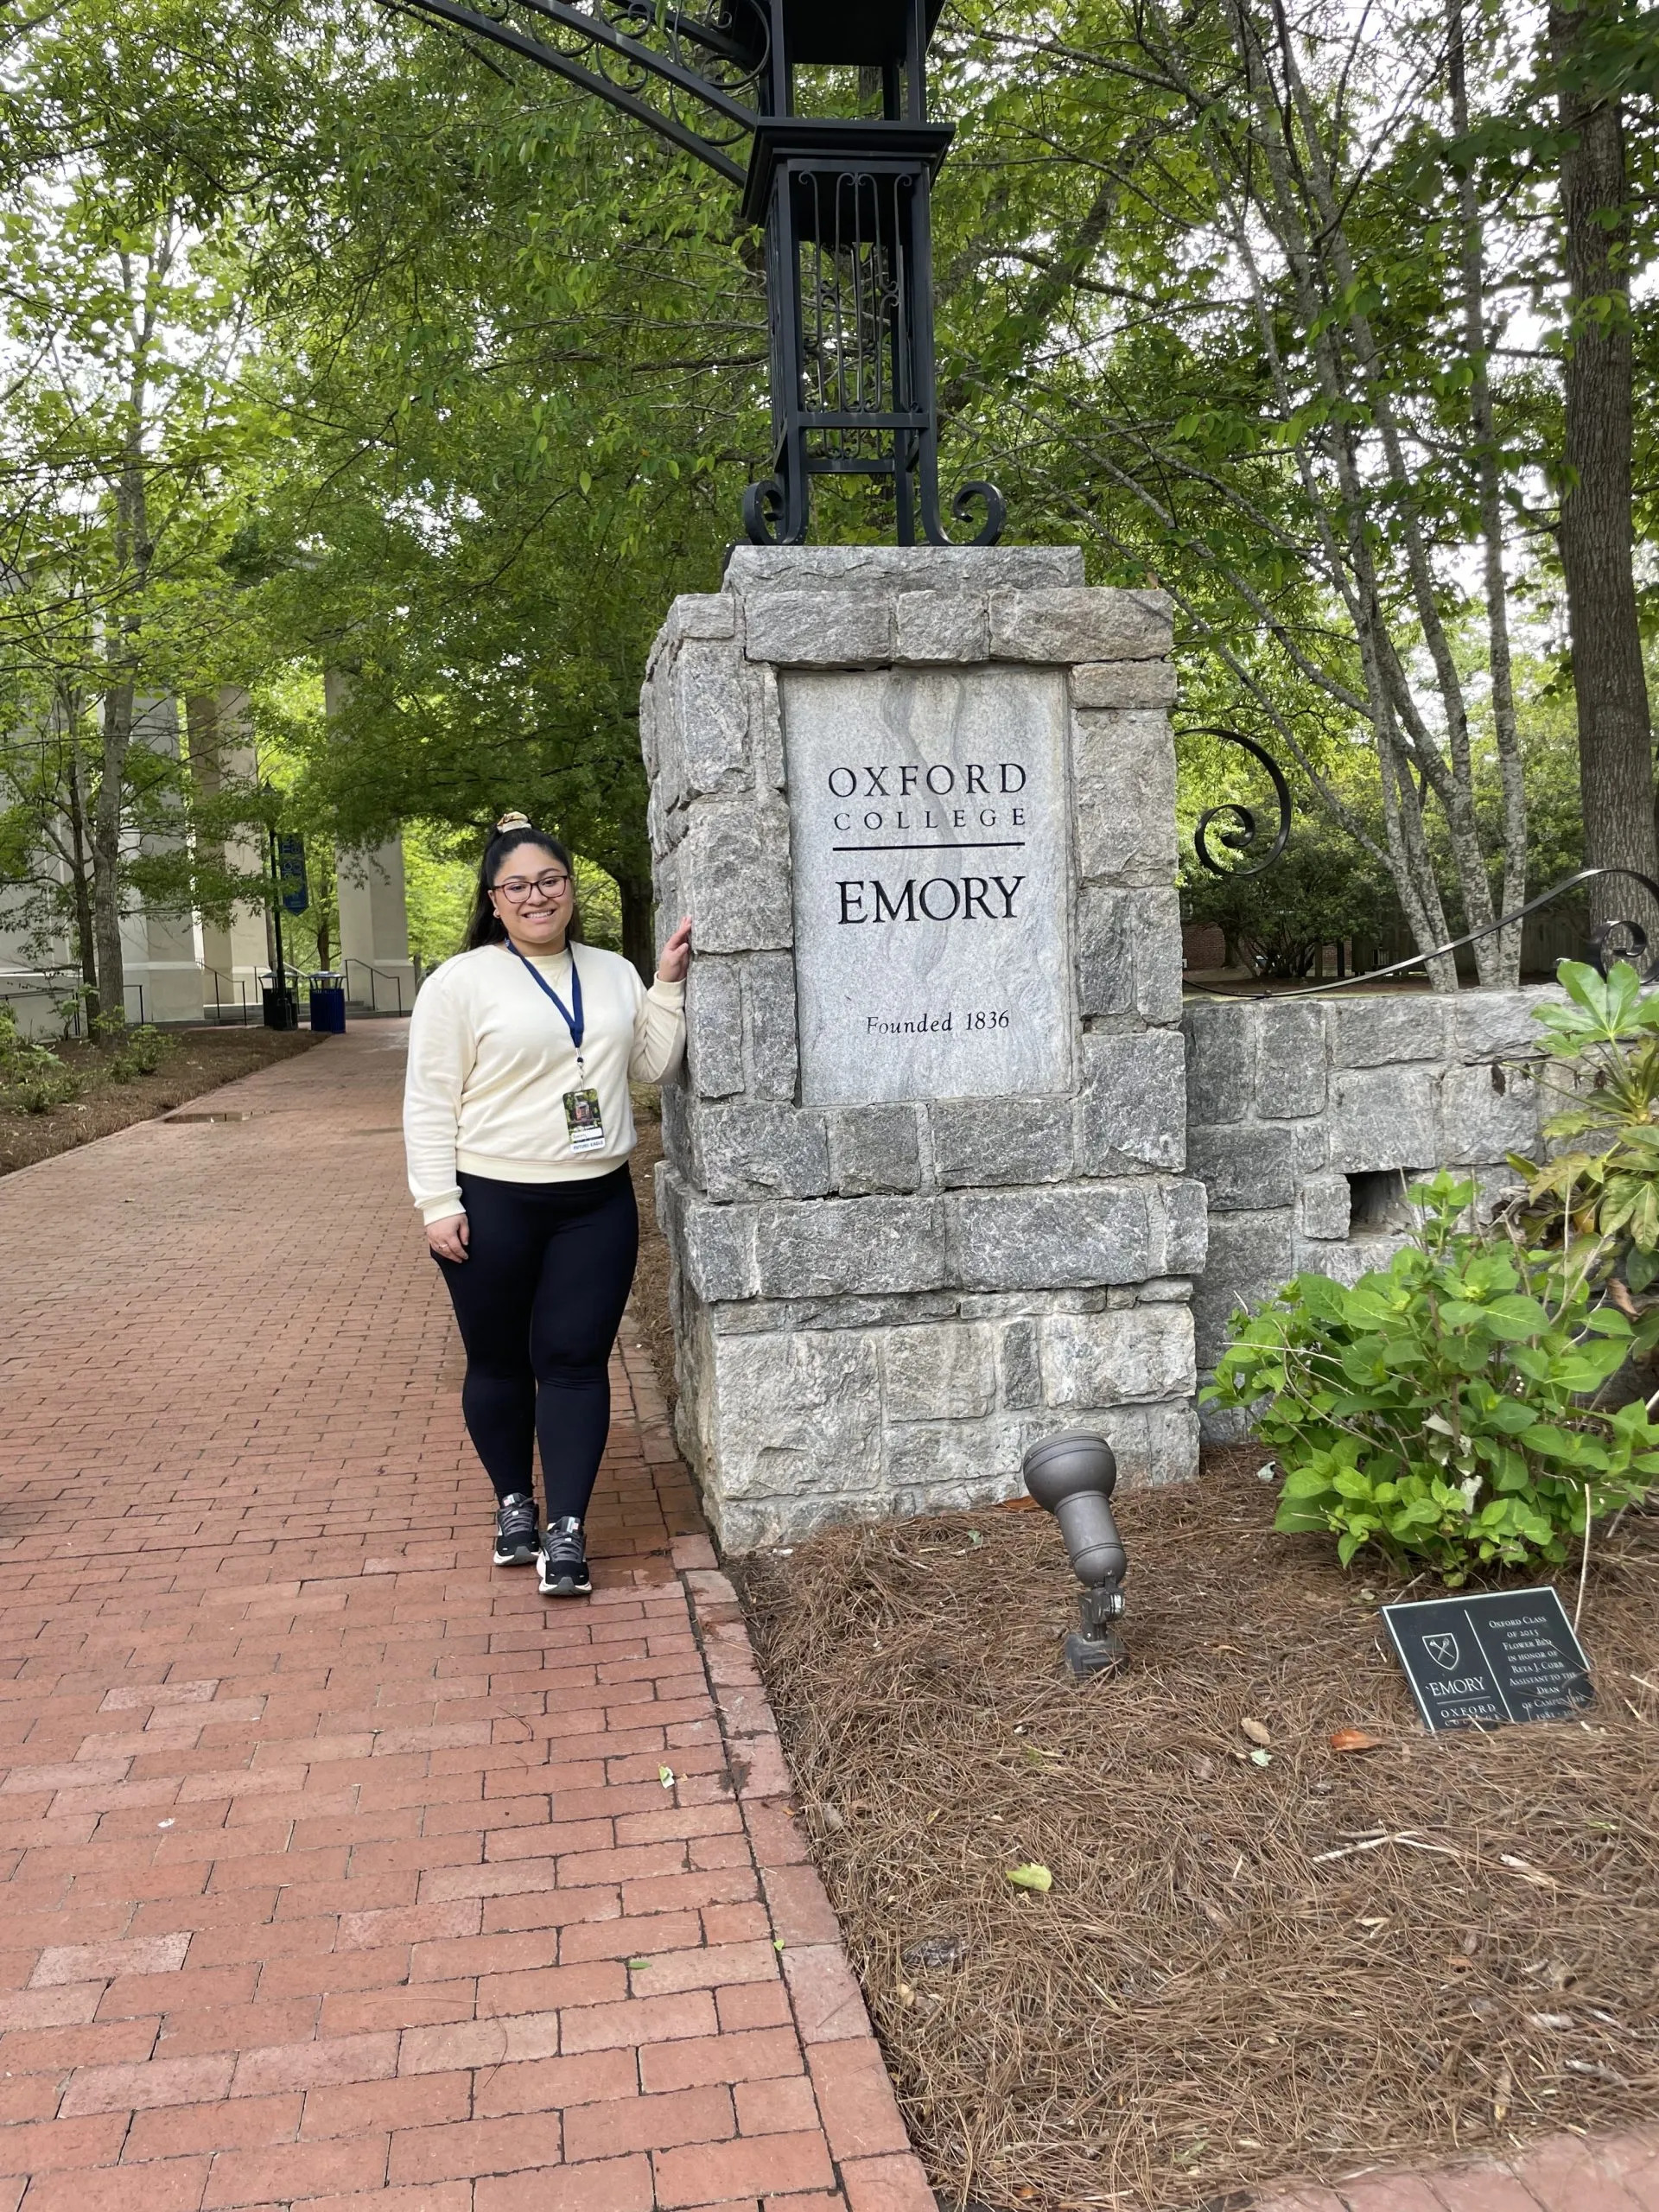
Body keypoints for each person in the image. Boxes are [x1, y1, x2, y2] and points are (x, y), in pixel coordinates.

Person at [404, 812, 690, 1595]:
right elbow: (429, 1101)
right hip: (491, 1200)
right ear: (494, 900)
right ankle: (513, 1505)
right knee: (498, 1361)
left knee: (572, 1362)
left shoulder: (608, 972)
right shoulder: (459, 983)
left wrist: (664, 984)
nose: (538, 896)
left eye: (551, 881)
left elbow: (652, 1064)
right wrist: (437, 1201)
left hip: (593, 1202)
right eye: (519, 886)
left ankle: (566, 1528)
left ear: (570, 889)